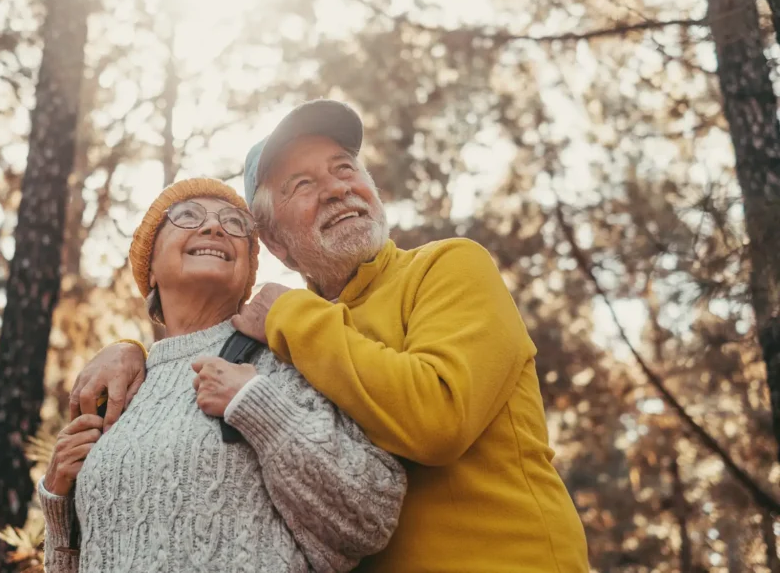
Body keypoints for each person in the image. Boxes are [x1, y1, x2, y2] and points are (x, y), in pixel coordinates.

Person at [71, 100, 591, 572]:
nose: (338, 187)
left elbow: (439, 418)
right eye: (301, 184)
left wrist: (291, 315)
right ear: (274, 241)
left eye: (345, 168)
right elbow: (193, 352)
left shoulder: (447, 268)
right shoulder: (279, 342)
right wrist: (133, 352)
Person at [39, 177, 406, 573]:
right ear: (150, 267)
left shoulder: (284, 359)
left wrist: (259, 407)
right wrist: (59, 508)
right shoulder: (118, 390)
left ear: (248, 270)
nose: (214, 228)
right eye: (187, 216)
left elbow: (370, 517)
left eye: (234, 223)